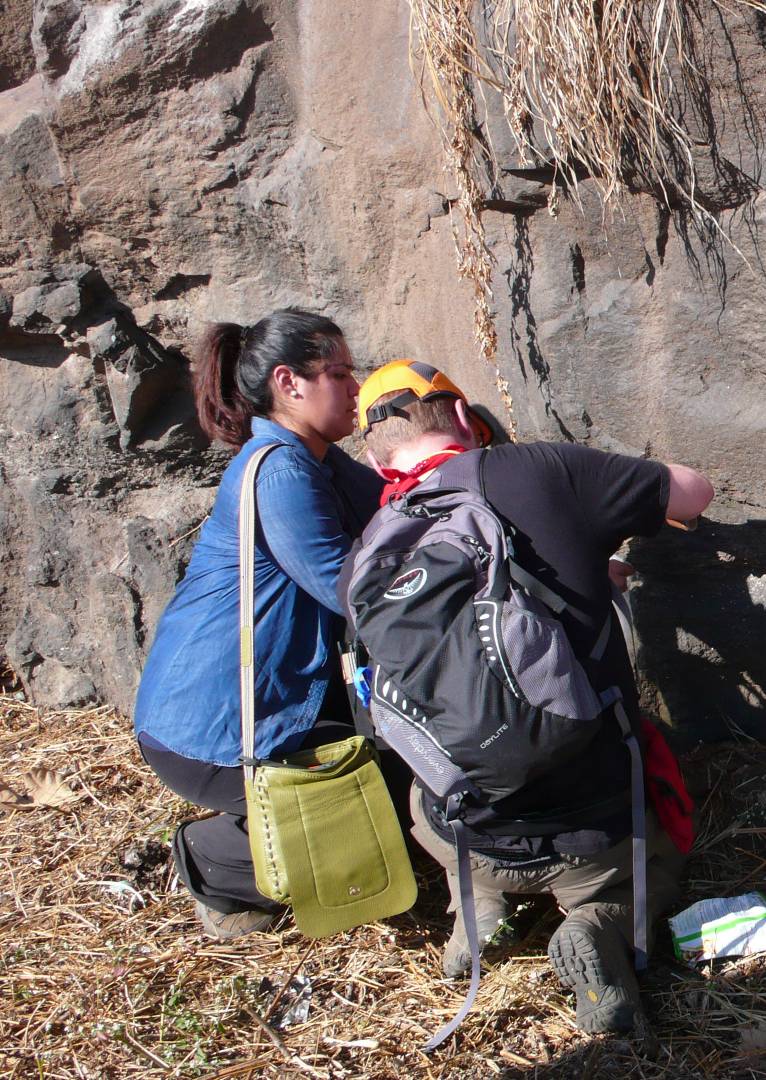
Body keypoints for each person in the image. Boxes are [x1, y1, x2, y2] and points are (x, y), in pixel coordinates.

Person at [351, 359, 712, 1036]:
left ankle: (477, 907)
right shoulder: (533, 470)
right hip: (593, 832)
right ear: (464, 418)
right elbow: (694, 494)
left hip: (459, 826)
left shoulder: (372, 550)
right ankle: (599, 926)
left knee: (430, 798)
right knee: (658, 857)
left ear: (380, 466)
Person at [133, 309, 383, 938]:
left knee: (389, 780)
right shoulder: (280, 468)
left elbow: (390, 501)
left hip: (260, 703)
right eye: (339, 374)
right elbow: (346, 586)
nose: (357, 389)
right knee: (370, 805)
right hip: (214, 725)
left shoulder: (316, 458)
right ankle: (213, 860)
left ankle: (260, 835)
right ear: (288, 383)